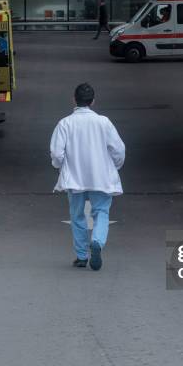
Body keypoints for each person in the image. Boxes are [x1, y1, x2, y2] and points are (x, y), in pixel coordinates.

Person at [50, 83, 125, 271]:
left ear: (74, 100)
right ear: (93, 101)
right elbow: (118, 150)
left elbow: (57, 153)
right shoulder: (104, 122)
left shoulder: (65, 123)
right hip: (101, 178)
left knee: (77, 216)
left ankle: (82, 256)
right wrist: (113, 167)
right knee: (101, 212)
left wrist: (59, 167)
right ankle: (97, 242)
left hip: (75, 179)